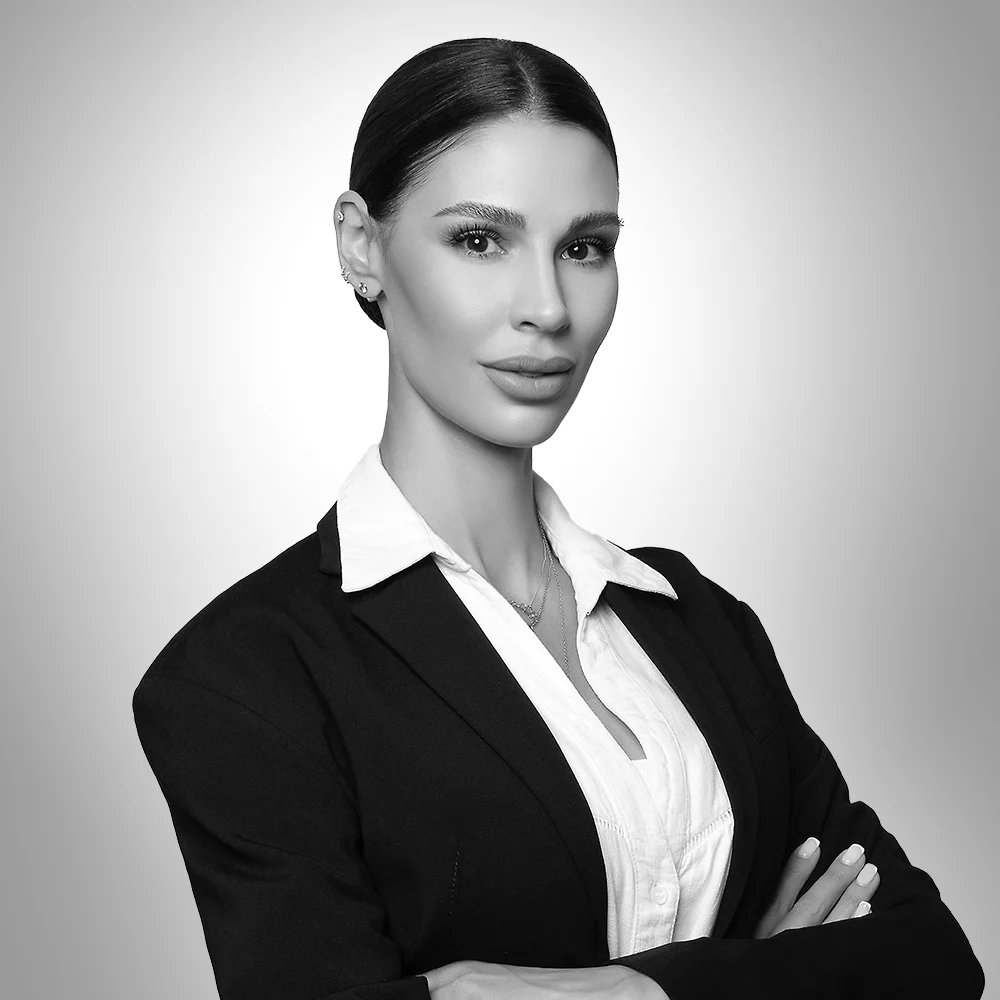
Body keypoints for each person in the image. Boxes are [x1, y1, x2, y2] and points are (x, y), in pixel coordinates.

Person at [132, 37, 984, 1000]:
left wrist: (635, 992)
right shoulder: (244, 679)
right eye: (479, 240)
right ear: (361, 244)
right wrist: (776, 972)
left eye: (584, 248)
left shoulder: (698, 622)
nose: (548, 307)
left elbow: (934, 960)